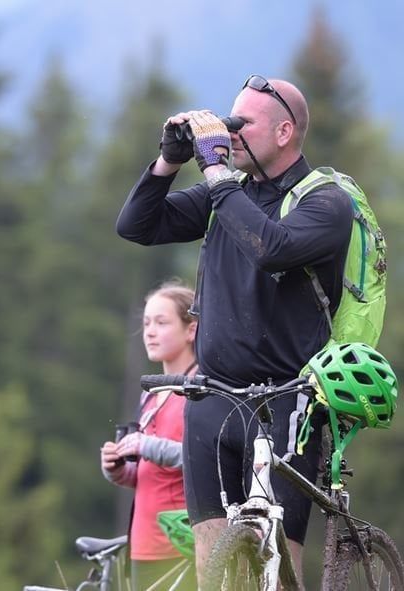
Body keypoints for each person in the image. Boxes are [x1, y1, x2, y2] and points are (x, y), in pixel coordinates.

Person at [115, 75, 354, 587]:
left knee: (277, 561)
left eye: (243, 123)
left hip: (287, 403)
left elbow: (272, 249)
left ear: (285, 132)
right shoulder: (228, 195)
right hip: (213, 399)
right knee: (211, 564)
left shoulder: (326, 202)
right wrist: (169, 161)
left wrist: (217, 171)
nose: (230, 132)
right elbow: (136, 225)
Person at [100, 280, 198, 590]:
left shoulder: (200, 390)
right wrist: (118, 469)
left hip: (184, 545)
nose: (150, 332)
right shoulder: (152, 393)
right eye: (146, 323)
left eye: (161, 322)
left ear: (191, 329)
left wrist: (146, 445)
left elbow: (201, 459)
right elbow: (151, 473)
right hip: (142, 544)